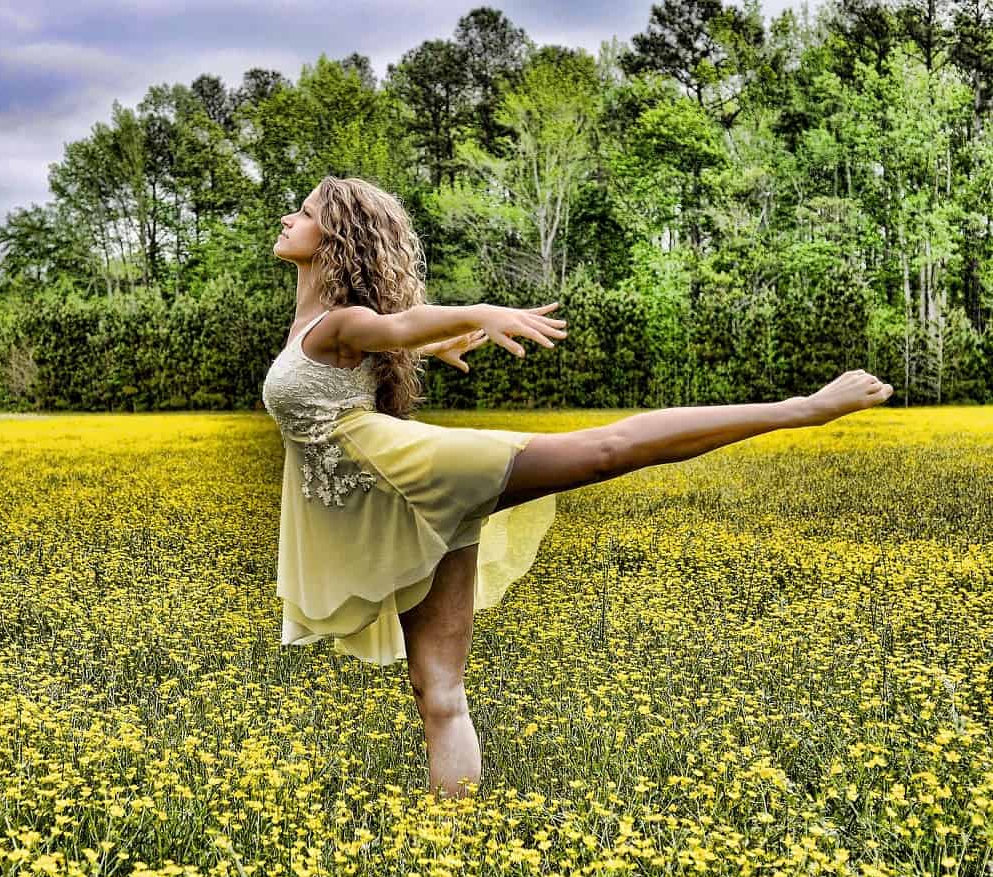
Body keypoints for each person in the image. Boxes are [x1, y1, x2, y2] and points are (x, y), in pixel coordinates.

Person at [261, 176, 894, 800]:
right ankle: (452, 841)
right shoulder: (316, 324)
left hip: (404, 472)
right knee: (438, 689)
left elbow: (398, 326)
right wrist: (444, 340)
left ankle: (801, 407)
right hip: (388, 506)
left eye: (306, 212)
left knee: (604, 451)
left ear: (336, 238)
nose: (289, 218)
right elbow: (392, 338)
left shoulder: (340, 322)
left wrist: (473, 315)